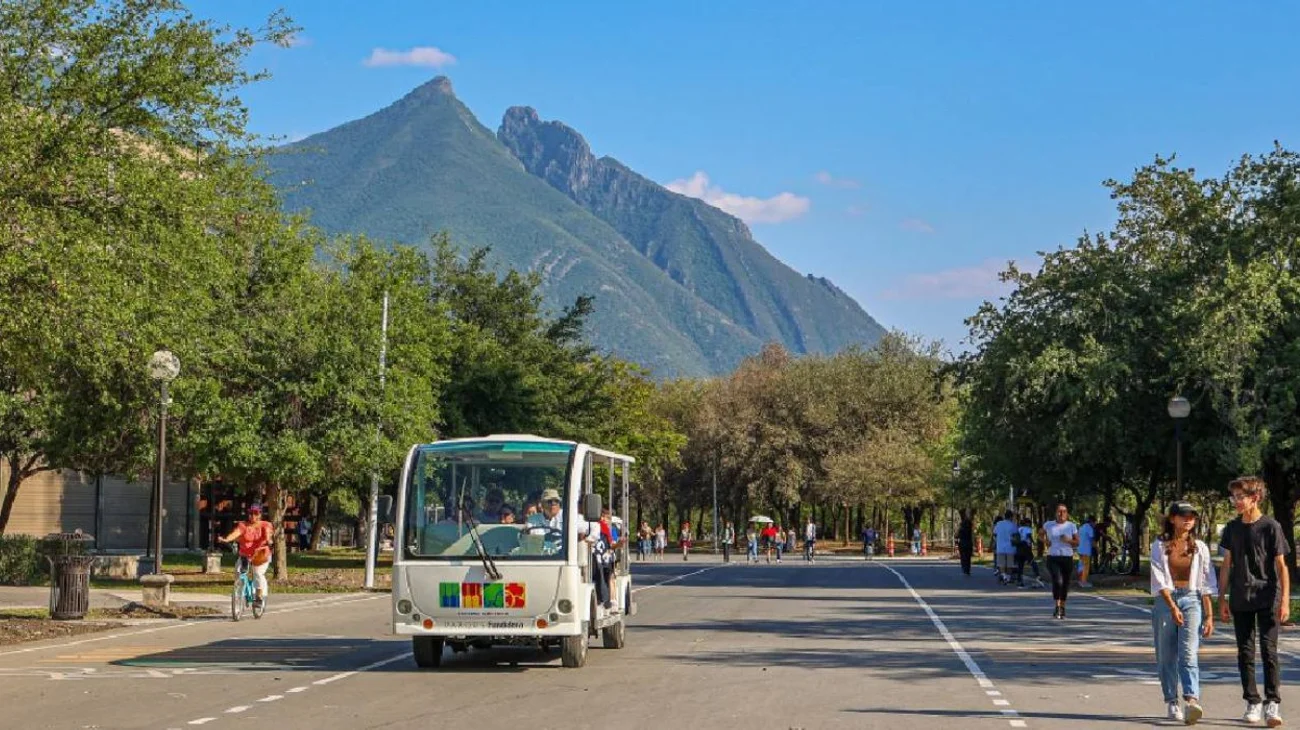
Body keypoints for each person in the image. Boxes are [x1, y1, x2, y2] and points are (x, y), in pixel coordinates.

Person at [1218, 476, 1290, 727]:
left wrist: (1285, 602)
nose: (1236, 501)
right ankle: (1252, 701)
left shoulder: (1272, 527)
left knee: (1269, 651)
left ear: (1255, 498)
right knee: (1245, 653)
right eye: (1233, 497)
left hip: (1268, 596)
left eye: (1240, 497)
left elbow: (1282, 567)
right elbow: (1227, 565)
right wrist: (1222, 599)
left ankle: (1273, 702)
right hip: (1240, 596)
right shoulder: (1231, 528)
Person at [1150, 501, 1216, 724]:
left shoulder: (1200, 547)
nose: (1188, 519)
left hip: (1191, 599)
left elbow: (1207, 584)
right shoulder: (1159, 545)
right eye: (1183, 515)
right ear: (1172, 519)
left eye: (1192, 516)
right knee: (1166, 654)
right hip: (1165, 600)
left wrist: (1209, 616)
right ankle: (1172, 701)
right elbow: (1159, 579)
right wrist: (1172, 606)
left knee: (1188, 653)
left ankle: (1191, 701)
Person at [217, 504, 274, 607]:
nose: (253, 516)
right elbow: (236, 533)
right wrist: (226, 539)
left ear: (260, 515)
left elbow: (268, 535)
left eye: (256, 513)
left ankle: (259, 597)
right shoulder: (243, 525)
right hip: (245, 555)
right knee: (239, 572)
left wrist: (269, 540)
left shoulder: (265, 525)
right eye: (251, 513)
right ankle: (239, 594)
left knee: (258, 573)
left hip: (260, 554)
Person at [1042, 503, 1079, 619]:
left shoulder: (1071, 526)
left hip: (1067, 557)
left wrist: (1068, 540)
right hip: (1053, 557)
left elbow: (1077, 542)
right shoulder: (1049, 525)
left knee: (1065, 583)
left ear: (1067, 514)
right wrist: (1045, 541)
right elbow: (1040, 534)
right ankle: (1057, 606)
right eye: (1059, 511)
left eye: (1064, 511)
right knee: (1057, 581)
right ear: (1056, 513)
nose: (1061, 514)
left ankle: (1062, 606)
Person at [993, 511, 1017, 584]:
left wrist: (997, 541)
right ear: (1011, 517)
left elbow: (994, 534)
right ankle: (1008, 578)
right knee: (1009, 564)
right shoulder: (1013, 525)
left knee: (1001, 564)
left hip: (1000, 547)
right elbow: (1015, 535)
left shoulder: (999, 524)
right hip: (1010, 547)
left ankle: (1004, 576)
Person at [1078, 515, 1096, 588]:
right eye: (1094, 523)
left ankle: (1080, 580)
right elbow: (1092, 540)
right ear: (1091, 522)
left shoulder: (1081, 527)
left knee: (1081, 565)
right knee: (1086, 566)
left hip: (1080, 549)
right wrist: (1096, 547)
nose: (1095, 524)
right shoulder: (1089, 528)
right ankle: (1084, 582)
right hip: (1086, 550)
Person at [956, 511, 974, 576]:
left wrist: (956, 543)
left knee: (963, 557)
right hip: (969, 543)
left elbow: (956, 536)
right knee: (968, 557)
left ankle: (964, 569)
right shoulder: (970, 529)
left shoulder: (961, 530)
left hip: (962, 543)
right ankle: (968, 570)